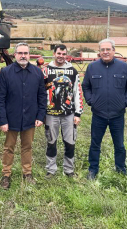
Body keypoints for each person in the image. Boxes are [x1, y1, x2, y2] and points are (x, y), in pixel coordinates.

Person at [0, 42, 47, 189]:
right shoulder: (6, 72)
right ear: (15, 54)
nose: (23, 56)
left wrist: (40, 116)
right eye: (20, 53)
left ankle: (27, 173)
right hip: (11, 119)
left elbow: (42, 96)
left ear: (29, 55)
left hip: (30, 117)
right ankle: (6, 174)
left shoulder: (37, 72)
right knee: (9, 147)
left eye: (26, 53)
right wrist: (2, 120)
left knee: (27, 147)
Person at [82, 38, 127, 179]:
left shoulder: (123, 67)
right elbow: (86, 86)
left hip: (117, 114)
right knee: (95, 144)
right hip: (98, 114)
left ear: (113, 51)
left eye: (108, 49)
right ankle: (93, 170)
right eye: (102, 50)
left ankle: (120, 169)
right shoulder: (92, 67)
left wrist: (125, 101)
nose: (105, 52)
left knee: (119, 145)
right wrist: (90, 100)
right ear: (99, 52)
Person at [43, 44, 83, 178]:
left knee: (70, 142)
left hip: (69, 114)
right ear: (54, 53)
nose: (61, 56)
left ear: (66, 55)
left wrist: (78, 113)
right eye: (58, 53)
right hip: (50, 113)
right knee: (51, 142)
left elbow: (77, 92)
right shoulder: (45, 70)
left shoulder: (73, 71)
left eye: (63, 54)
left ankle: (69, 169)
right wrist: (41, 112)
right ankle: (51, 169)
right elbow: (40, 92)